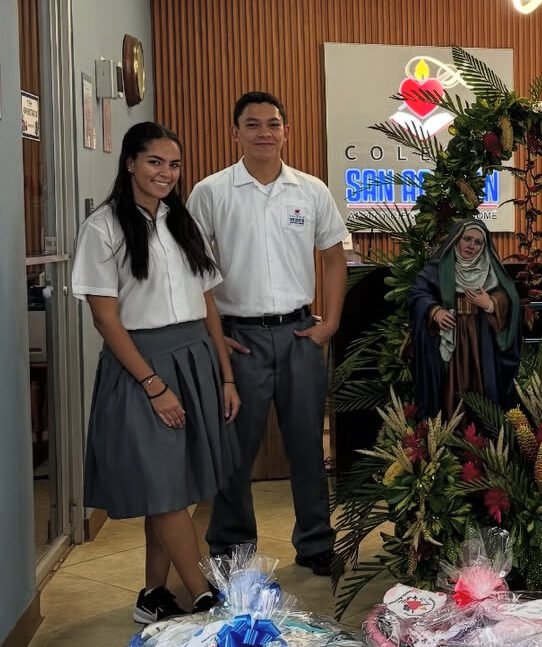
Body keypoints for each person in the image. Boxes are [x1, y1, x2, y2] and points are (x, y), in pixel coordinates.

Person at [72, 121, 239, 622]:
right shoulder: (102, 227)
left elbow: (208, 306)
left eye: (174, 164)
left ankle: (152, 593)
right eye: (154, 162)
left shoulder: (180, 222)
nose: (166, 173)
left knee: (175, 486)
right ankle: (208, 598)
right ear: (129, 163)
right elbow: (105, 317)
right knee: (163, 485)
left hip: (195, 357)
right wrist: (152, 384)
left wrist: (225, 376)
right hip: (142, 367)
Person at [188, 92, 348, 576]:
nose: (264, 132)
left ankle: (316, 542)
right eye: (252, 124)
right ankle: (232, 546)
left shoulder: (311, 190)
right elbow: (193, 272)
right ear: (235, 132)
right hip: (239, 339)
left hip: (301, 334)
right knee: (235, 453)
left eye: (273, 124)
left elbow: (335, 256)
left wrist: (332, 324)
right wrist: (215, 338)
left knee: (308, 447)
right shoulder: (211, 192)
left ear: (286, 132)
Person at [410, 219, 521, 420]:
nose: (471, 246)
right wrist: (435, 311)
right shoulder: (440, 267)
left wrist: (491, 303)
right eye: (467, 239)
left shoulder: (491, 270)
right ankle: (452, 436)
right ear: (456, 240)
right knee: (452, 386)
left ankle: (484, 437)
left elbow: (510, 298)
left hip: (482, 338)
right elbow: (418, 293)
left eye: (478, 242)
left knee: (483, 384)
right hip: (451, 336)